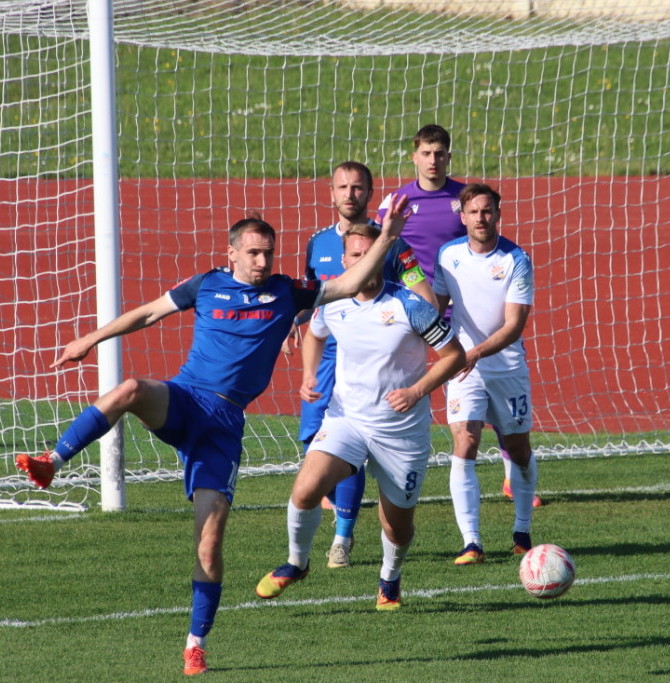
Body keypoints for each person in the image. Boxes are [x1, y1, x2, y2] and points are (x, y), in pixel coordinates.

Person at [15, 201, 410, 675]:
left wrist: (389, 235)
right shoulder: (205, 285)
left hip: (222, 426)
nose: (263, 261)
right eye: (254, 253)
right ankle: (53, 462)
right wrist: (88, 340)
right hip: (183, 400)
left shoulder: (288, 292)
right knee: (130, 388)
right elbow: (148, 314)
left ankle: (195, 645)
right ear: (232, 254)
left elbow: (347, 283)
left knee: (209, 542)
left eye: (269, 252)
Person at [255, 222, 465, 609]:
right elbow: (315, 334)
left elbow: (455, 355)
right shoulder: (332, 301)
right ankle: (296, 564)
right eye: (355, 254)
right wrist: (309, 374)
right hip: (346, 420)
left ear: (382, 259)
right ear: (345, 261)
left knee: (397, 527)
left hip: (401, 433)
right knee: (305, 490)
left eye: (370, 254)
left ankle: (390, 579)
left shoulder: (410, 305)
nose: (363, 261)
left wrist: (417, 391)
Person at [378, 124, 543, 507]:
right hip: (420, 311)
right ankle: (391, 467)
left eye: (440, 153)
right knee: (413, 391)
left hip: (464, 312)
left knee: (496, 395)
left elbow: (483, 247)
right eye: (426, 153)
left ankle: (512, 476)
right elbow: (383, 247)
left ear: (448, 156)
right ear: (414, 156)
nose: (433, 160)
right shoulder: (397, 201)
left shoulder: (465, 198)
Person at [295, 161, 436, 570]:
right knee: (318, 444)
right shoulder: (318, 242)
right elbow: (312, 296)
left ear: (370, 193)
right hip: (331, 352)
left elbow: (423, 297)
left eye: (358, 187)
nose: (350, 194)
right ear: (331, 193)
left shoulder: (390, 241)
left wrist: (420, 323)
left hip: (378, 356)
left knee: (353, 444)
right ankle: (324, 539)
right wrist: (294, 323)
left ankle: (342, 536)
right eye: (342, 187)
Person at [433, 183, 538, 564]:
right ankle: (471, 542)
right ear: (462, 217)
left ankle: (522, 531)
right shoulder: (448, 255)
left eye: (487, 211)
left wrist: (474, 353)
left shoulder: (516, 259)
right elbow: (436, 307)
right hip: (465, 370)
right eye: (474, 212)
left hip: (506, 368)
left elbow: (514, 325)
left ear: (498, 214)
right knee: (465, 442)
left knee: (518, 450)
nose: (481, 218)